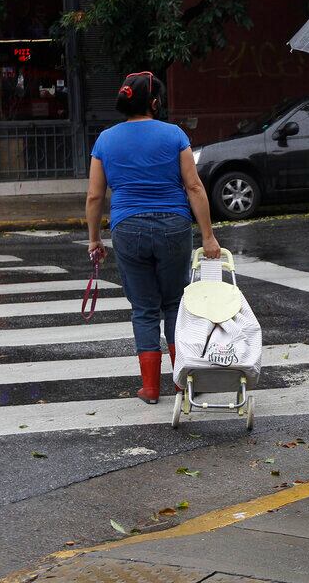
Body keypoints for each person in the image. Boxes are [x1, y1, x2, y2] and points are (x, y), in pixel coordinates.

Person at [85, 71, 221, 405]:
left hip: (127, 227)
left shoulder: (105, 140)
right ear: (155, 103)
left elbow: (94, 196)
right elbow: (193, 187)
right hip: (173, 225)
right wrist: (208, 236)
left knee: (144, 308)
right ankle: (181, 382)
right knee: (174, 303)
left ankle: (150, 388)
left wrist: (94, 239)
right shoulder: (174, 135)